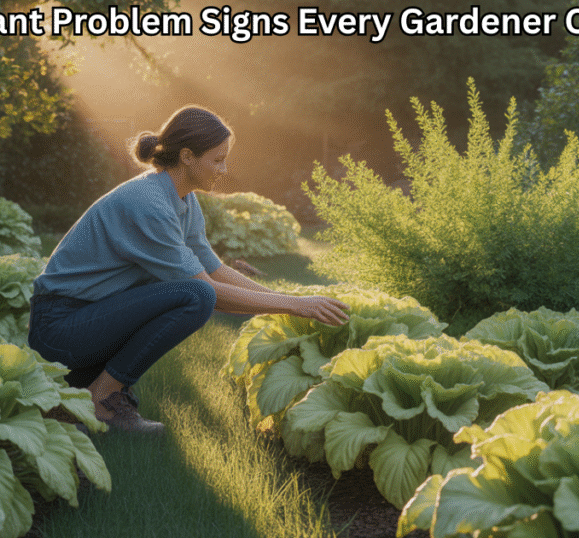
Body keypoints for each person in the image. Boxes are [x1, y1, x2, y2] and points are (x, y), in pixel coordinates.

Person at [28, 105, 350, 434]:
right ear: (187, 156)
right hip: (59, 329)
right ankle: (102, 399)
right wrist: (296, 305)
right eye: (217, 159)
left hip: (91, 318)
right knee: (194, 295)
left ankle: (92, 388)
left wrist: (285, 300)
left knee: (195, 290)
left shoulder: (182, 199)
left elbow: (215, 269)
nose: (224, 169)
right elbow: (207, 291)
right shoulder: (148, 204)